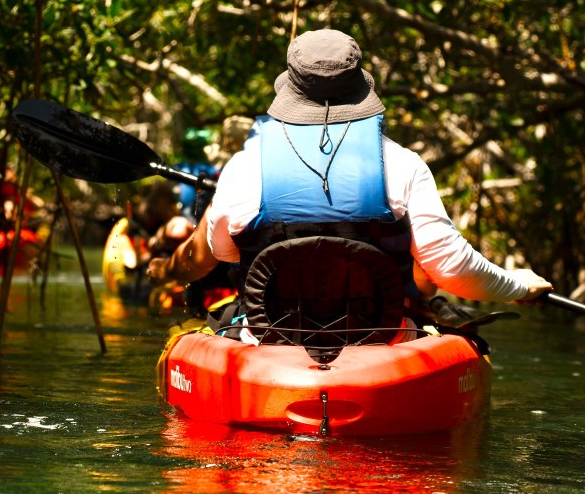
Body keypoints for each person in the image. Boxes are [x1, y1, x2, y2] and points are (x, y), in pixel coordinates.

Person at [147, 29, 552, 332]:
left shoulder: (243, 167)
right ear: (360, 86)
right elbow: (449, 268)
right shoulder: (405, 165)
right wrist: (516, 283)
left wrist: (164, 270)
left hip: (270, 339)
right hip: (379, 339)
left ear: (291, 87)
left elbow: (220, 253)